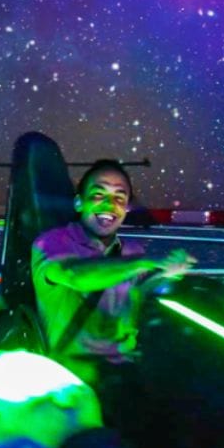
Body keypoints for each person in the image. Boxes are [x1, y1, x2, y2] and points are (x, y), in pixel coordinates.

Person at [31, 159, 192, 419]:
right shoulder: (53, 243)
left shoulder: (131, 251)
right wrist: (141, 263)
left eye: (119, 198)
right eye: (99, 194)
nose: (110, 204)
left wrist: (169, 273)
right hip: (74, 380)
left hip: (126, 371)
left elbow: (140, 292)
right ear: (78, 203)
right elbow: (75, 275)